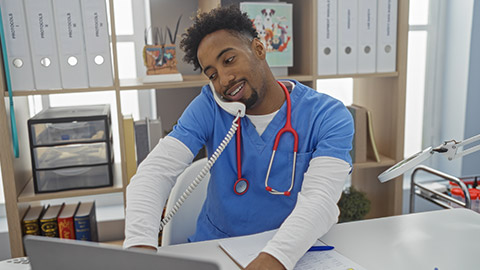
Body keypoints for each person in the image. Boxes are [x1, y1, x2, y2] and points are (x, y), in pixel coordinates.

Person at [124, 5, 353, 270]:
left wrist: (274, 259)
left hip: (289, 251)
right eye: (212, 74)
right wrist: (138, 251)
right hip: (216, 253)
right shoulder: (210, 105)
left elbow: (321, 200)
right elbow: (153, 174)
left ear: (258, 49)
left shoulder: (328, 115)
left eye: (229, 60)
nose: (224, 79)